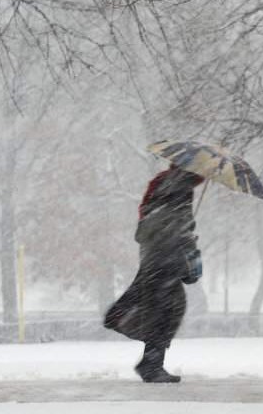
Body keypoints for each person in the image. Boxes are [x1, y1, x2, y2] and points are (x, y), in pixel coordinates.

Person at [104, 164, 205, 383]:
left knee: (162, 309)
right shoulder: (181, 188)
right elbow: (175, 224)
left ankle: (149, 360)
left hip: (155, 258)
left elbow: (153, 225)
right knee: (166, 313)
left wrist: (185, 232)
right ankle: (150, 363)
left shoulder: (165, 184)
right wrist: (187, 239)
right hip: (166, 259)